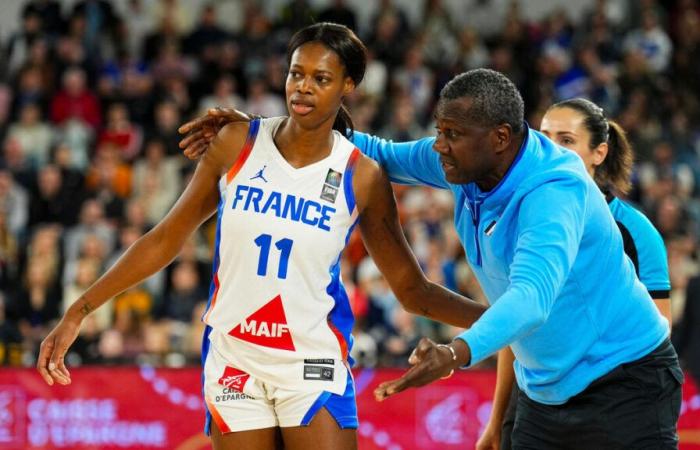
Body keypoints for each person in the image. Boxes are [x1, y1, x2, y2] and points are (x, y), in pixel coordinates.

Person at [36, 24, 489, 450]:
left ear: (348, 85)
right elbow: (164, 240)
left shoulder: (362, 175)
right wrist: (79, 310)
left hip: (311, 361)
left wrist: (503, 322)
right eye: (296, 73)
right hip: (236, 356)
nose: (303, 87)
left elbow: (413, 290)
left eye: (321, 78)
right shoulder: (236, 143)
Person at [178, 68, 682, 449]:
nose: (438, 146)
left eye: (451, 135)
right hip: (545, 391)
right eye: (439, 131)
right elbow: (379, 152)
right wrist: (263, 134)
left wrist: (455, 353)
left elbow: (530, 300)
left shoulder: (553, 192)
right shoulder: (468, 161)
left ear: (501, 138)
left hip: (626, 383)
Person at [479, 98, 673, 450]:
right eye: (544, 137)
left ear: (599, 153)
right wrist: (496, 420)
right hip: (535, 401)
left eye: (566, 140)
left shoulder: (634, 230)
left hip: (615, 399)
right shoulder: (524, 219)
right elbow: (517, 326)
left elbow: (659, 332)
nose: (550, 149)